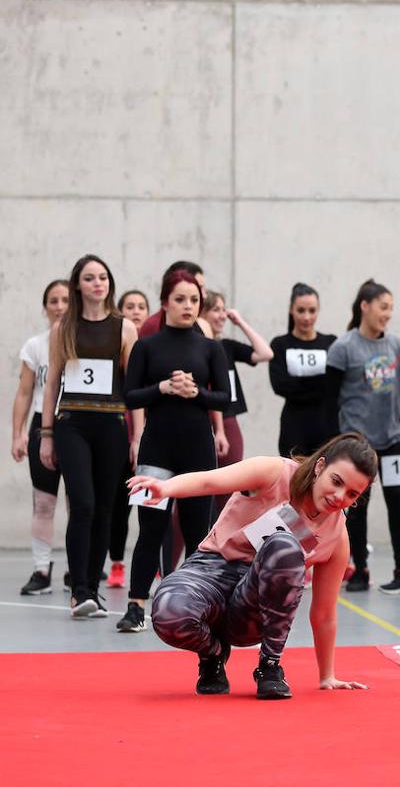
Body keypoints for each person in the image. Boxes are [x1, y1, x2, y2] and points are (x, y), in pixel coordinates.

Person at [130, 433, 377, 698]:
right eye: (336, 481)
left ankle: (269, 667)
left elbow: (324, 613)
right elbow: (209, 480)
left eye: (352, 494)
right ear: (320, 467)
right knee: (169, 611)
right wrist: (166, 488)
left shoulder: (337, 537)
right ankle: (213, 655)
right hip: (210, 571)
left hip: (252, 608)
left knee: (284, 545)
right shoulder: (274, 472)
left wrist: (327, 675)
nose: (339, 496)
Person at [118, 268, 231, 633]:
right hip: (157, 448)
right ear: (165, 302)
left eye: (194, 300)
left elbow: (225, 398)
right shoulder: (146, 346)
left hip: (198, 448)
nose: (187, 306)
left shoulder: (211, 347)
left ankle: (201, 601)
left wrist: (195, 393)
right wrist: (164, 388)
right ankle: (136, 604)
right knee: (151, 527)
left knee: (200, 529)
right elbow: (130, 395)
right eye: (180, 299)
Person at [38, 254, 140, 618]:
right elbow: (51, 385)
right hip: (72, 424)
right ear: (78, 284)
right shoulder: (63, 328)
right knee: (81, 503)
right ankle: (78, 589)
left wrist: (137, 435)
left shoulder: (124, 328)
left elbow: (134, 388)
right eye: (89, 278)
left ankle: (92, 592)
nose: (98, 283)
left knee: (105, 509)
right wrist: (46, 434)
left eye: (103, 277)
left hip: (112, 425)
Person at [325, 280, 400, 593]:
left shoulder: (398, 347)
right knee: (357, 506)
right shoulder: (344, 348)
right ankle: (359, 568)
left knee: (397, 503)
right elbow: (330, 396)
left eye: (391, 308)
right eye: (383, 306)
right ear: (365, 305)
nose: (387, 313)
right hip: (359, 442)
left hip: (393, 438)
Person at [13, 280, 70, 595]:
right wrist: (17, 434)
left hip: (77, 422)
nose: (60, 306)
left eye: (65, 300)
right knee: (44, 502)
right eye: (53, 300)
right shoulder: (35, 345)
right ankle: (41, 569)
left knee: (80, 502)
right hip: (41, 424)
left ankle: (79, 569)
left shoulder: (84, 341)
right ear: (45, 306)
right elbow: (24, 392)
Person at [202, 290, 274, 520]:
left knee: (229, 491)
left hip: (229, 421)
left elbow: (265, 353)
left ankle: (218, 548)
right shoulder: (197, 349)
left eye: (223, 309)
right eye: (216, 310)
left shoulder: (227, 347)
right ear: (201, 313)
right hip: (204, 423)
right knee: (200, 496)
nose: (222, 315)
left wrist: (239, 321)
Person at [107, 289, 151, 588]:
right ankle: (117, 563)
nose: (136, 311)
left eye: (141, 307)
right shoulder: (116, 348)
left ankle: (156, 564)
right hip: (120, 434)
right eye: (129, 306)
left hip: (154, 437)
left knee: (150, 506)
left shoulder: (154, 349)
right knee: (119, 505)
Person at [269, 283, 337, 457]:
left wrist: (300, 384)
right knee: (294, 476)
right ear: (292, 309)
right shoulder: (280, 344)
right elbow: (280, 385)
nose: (307, 317)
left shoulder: (330, 343)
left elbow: (334, 384)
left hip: (326, 424)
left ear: (318, 310)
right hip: (294, 425)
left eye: (312, 311)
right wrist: (320, 381)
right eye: (301, 311)